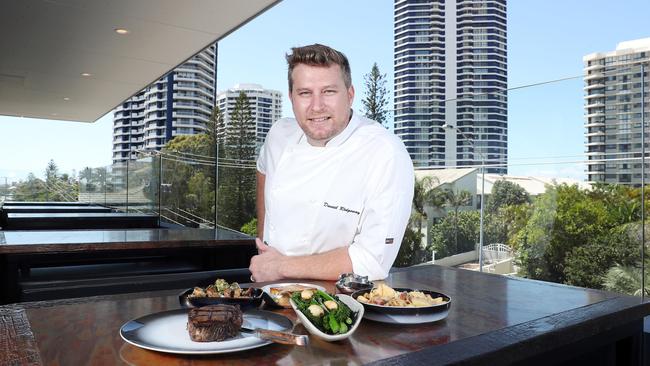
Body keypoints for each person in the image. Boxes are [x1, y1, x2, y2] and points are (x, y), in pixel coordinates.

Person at [249, 44, 414, 282]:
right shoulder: (280, 134)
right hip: (271, 290)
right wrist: (264, 246)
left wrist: (281, 266)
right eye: (305, 93)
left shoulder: (386, 153)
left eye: (328, 91)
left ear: (350, 94)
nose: (317, 106)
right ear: (291, 98)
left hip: (339, 304)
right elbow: (263, 169)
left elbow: (372, 260)